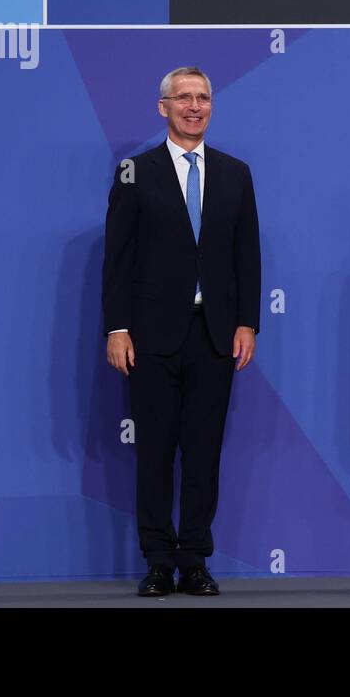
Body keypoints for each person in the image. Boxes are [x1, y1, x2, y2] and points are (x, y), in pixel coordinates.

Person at [102, 66, 261, 597]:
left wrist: (246, 322)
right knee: (154, 451)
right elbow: (117, 258)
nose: (195, 106)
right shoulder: (134, 172)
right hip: (149, 335)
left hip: (214, 335)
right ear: (162, 107)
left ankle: (194, 559)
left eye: (203, 98)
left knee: (203, 451)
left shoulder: (236, 173)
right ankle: (156, 560)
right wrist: (117, 327)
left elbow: (247, 255)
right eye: (184, 98)